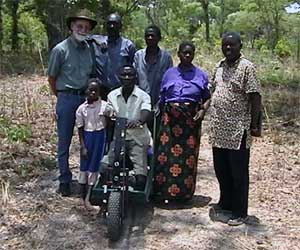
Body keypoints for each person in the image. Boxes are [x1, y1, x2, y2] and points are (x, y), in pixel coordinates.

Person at [209, 32, 262, 226]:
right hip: (218, 129)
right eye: (225, 45)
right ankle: (226, 202)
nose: (228, 48)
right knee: (221, 169)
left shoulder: (247, 67)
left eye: (232, 45)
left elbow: (255, 97)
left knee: (238, 172)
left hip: (237, 130)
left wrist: (255, 124)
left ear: (240, 46)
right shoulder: (219, 66)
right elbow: (212, 89)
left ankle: (240, 211)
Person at [47, 10, 97, 196]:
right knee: (64, 142)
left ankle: (86, 180)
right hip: (67, 98)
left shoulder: (89, 49)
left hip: (85, 99)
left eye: (86, 27)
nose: (82, 30)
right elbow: (51, 78)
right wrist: (60, 97)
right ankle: (65, 180)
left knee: (88, 139)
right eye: (79, 26)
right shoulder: (60, 49)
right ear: (71, 27)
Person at [153, 41, 211, 201]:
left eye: (190, 53)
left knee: (187, 158)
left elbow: (207, 97)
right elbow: (162, 97)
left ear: (193, 55)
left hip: (190, 121)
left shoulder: (201, 75)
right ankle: (162, 193)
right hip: (170, 119)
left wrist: (202, 110)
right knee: (164, 156)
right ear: (178, 54)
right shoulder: (169, 74)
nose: (187, 55)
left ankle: (184, 195)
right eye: (184, 52)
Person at [102, 65, 151, 191]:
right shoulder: (112, 95)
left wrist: (139, 120)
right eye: (124, 75)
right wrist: (110, 114)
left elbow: (146, 111)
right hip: (119, 139)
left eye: (130, 75)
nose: (127, 78)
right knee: (104, 169)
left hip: (138, 139)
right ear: (119, 78)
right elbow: (108, 110)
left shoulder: (143, 96)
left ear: (135, 78)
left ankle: (134, 180)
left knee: (141, 180)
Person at [76, 79, 107, 210]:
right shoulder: (81, 109)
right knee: (85, 165)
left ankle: (90, 196)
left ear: (100, 92)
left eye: (96, 90)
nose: (93, 93)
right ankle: (82, 196)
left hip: (100, 137)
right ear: (86, 90)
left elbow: (110, 121)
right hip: (88, 139)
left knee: (95, 166)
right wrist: (83, 146)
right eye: (90, 90)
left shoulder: (105, 106)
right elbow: (80, 129)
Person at [92, 13, 136, 95]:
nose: (112, 26)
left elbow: (133, 69)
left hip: (120, 91)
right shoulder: (96, 43)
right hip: (101, 91)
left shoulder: (128, 45)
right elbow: (84, 36)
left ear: (120, 26)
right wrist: (97, 40)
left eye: (115, 24)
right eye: (109, 23)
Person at [134, 25, 173, 107]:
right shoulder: (138, 56)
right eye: (147, 36)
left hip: (160, 102)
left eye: (153, 36)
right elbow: (134, 79)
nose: (150, 38)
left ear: (159, 38)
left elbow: (169, 81)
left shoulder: (166, 58)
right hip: (140, 103)